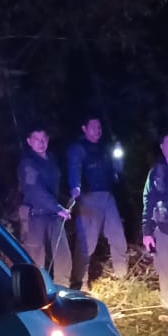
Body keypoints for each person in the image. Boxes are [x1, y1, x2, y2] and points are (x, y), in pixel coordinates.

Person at [66, 116, 127, 288]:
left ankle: (122, 274)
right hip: (89, 197)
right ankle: (80, 281)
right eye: (93, 127)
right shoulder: (78, 148)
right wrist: (75, 187)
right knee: (87, 242)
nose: (97, 130)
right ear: (84, 128)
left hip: (108, 196)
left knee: (117, 235)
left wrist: (118, 159)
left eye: (99, 127)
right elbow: (74, 169)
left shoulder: (105, 147)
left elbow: (117, 172)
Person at [16, 127, 71, 283]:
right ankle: (36, 292)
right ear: (29, 141)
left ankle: (63, 289)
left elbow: (54, 187)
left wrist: (62, 204)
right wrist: (58, 208)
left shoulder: (51, 159)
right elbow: (35, 190)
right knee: (35, 259)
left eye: (44, 139)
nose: (41, 143)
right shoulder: (28, 163)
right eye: (36, 139)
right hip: (35, 216)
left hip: (53, 215)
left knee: (63, 255)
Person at [142, 131, 168, 322]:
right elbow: (148, 201)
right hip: (164, 228)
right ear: (162, 147)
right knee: (167, 270)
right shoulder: (156, 172)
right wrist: (147, 232)